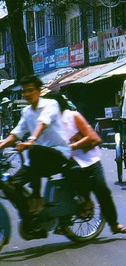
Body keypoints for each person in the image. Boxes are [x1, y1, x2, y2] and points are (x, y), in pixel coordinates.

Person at [49, 93, 126, 235]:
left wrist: (72, 146)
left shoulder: (73, 116)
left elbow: (91, 137)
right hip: (70, 163)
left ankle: (114, 224)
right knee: (65, 192)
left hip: (89, 160)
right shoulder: (50, 123)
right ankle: (65, 221)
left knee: (102, 192)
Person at [0, 75, 73, 214]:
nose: (26, 94)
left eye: (30, 90)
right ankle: (30, 215)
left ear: (39, 91)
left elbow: (42, 123)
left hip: (58, 154)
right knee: (9, 183)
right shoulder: (26, 111)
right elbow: (16, 134)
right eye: (24, 91)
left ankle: (37, 198)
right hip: (38, 160)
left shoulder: (51, 104)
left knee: (33, 151)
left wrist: (31, 140)